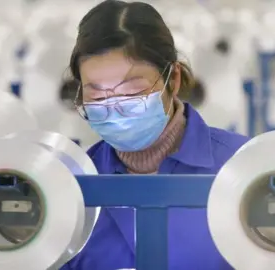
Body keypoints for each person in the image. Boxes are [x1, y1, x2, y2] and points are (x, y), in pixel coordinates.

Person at [61, 1, 249, 269]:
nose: (116, 106)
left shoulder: (243, 166)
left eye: (133, 91)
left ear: (173, 80)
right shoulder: (73, 184)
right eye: (98, 94)